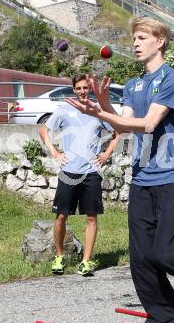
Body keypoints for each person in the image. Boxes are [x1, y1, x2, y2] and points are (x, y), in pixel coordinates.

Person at [67, 17, 174, 323]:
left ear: (160, 41)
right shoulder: (133, 84)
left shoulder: (172, 79)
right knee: (141, 259)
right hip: (142, 179)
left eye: (142, 37)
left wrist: (100, 114)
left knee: (167, 253)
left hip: (172, 176)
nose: (136, 43)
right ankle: (171, 317)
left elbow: (151, 123)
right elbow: (125, 125)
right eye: (134, 38)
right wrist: (104, 105)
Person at [39, 74, 117, 276]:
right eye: (79, 88)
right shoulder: (64, 110)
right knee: (61, 216)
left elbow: (117, 132)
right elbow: (43, 131)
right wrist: (55, 153)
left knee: (91, 217)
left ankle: (86, 261)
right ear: (74, 89)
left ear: (89, 89)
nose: (82, 91)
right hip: (68, 172)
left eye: (85, 88)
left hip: (91, 172)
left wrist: (106, 154)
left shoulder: (97, 111)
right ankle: (59, 257)